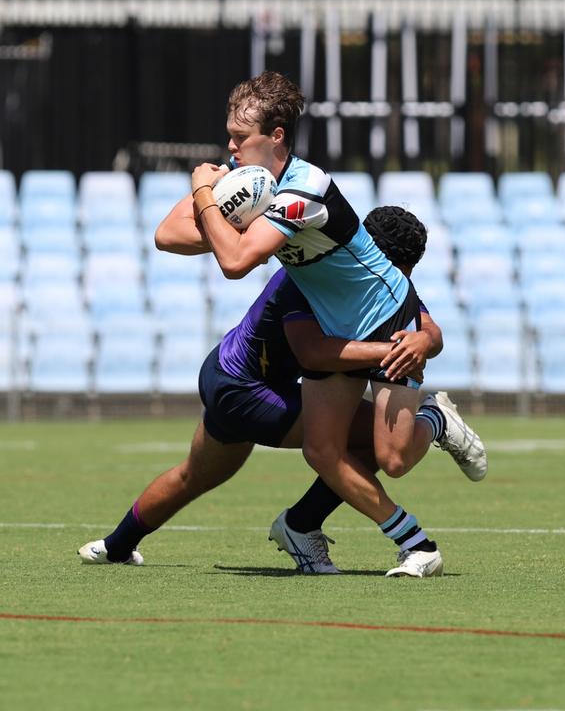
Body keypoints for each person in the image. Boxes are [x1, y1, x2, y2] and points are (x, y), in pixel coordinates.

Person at [152, 71, 484, 576]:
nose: (230, 146)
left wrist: (205, 194)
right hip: (338, 325)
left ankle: (434, 418)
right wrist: (220, 209)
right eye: (230, 135)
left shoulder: (304, 191)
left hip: (387, 317)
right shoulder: (251, 185)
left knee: (392, 458)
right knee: (321, 451)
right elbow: (166, 235)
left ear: (276, 136)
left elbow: (236, 262)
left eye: (241, 138)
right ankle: (417, 545)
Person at [80, 206, 483, 577]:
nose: (396, 284)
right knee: (365, 447)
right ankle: (431, 427)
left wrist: (427, 341)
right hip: (247, 392)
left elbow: (421, 321)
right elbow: (313, 352)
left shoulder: (373, 281)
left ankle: (116, 546)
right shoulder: (316, 277)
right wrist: (396, 348)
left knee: (193, 476)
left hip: (227, 376)